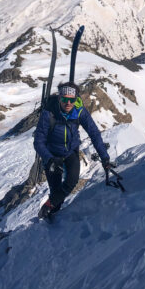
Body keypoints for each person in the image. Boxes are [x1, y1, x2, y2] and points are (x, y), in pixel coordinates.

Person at [34, 81, 111, 220]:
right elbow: (38, 142)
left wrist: (105, 157)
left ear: (76, 100)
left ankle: (48, 208)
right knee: (56, 191)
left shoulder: (79, 111)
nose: (68, 103)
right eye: (64, 99)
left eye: (72, 100)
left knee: (72, 180)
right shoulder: (48, 113)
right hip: (52, 154)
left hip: (70, 152)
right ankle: (50, 218)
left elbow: (94, 133)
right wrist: (49, 159)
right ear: (59, 98)